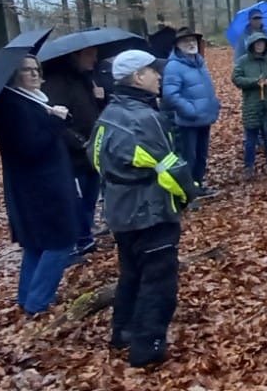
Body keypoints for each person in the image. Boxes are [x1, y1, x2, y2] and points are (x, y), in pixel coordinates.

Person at [88, 50, 192, 369]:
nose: (158, 76)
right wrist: (188, 195)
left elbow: (95, 158)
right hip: (151, 213)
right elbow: (171, 168)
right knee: (158, 281)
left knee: (131, 273)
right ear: (137, 77)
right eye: (152, 71)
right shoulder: (146, 119)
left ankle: (123, 332)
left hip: (120, 213)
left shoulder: (109, 113)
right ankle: (148, 348)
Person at [0, 52, 82, 315]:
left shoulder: (30, 101)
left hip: (42, 183)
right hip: (40, 188)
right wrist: (54, 120)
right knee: (61, 242)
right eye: (27, 70)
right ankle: (38, 303)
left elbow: (45, 133)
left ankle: (26, 297)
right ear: (14, 76)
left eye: (36, 69)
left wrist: (57, 117)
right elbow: (31, 146)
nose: (34, 74)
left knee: (37, 244)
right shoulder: (12, 105)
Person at [42, 43, 108, 256]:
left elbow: (93, 112)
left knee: (90, 197)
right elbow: (56, 121)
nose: (94, 59)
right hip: (72, 156)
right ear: (75, 55)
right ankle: (79, 240)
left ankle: (85, 237)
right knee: (77, 200)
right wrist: (79, 142)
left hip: (90, 151)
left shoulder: (86, 78)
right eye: (89, 55)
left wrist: (100, 98)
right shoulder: (56, 83)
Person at [161, 28, 221, 196]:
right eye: (186, 41)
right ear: (177, 45)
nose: (190, 43)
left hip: (204, 118)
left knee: (201, 155)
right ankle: (187, 192)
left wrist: (214, 104)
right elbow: (170, 95)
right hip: (188, 121)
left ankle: (198, 185)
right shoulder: (174, 66)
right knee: (189, 157)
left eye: (193, 40)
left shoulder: (199, 62)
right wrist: (190, 111)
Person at [232, 29, 267, 179]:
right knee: (251, 138)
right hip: (252, 104)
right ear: (252, 45)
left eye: (262, 43)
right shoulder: (243, 61)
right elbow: (236, 78)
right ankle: (248, 166)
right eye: (257, 43)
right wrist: (254, 82)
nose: (260, 46)